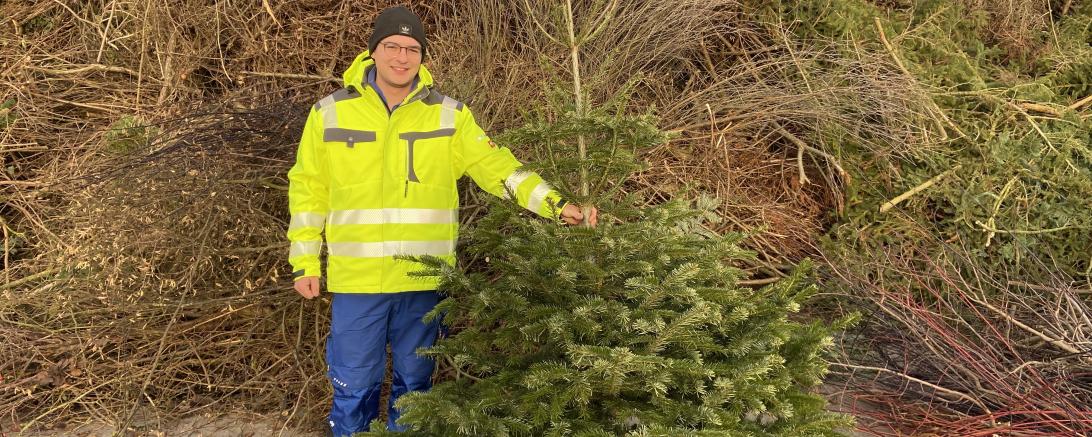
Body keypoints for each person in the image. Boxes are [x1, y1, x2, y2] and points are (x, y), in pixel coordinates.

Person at [285, 6, 597, 435]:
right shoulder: (330, 114)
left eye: (412, 49)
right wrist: (304, 262)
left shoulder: (448, 115)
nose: (401, 57)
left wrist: (559, 206)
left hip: (424, 280)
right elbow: (308, 191)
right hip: (357, 282)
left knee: (416, 387)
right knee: (353, 384)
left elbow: (498, 168)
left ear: (422, 56)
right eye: (392, 46)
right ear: (373, 51)